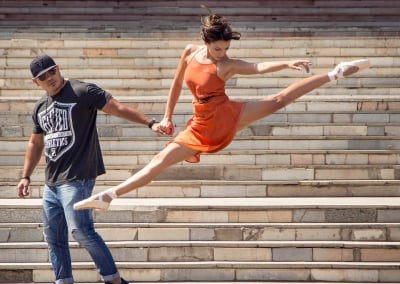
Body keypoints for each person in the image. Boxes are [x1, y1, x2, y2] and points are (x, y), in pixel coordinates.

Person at [74, 11, 370, 212]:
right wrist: (167, 116)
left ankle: (335, 74)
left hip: (223, 114)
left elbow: (256, 67)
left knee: (279, 100)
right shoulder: (190, 51)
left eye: (226, 48)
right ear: (206, 43)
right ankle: (109, 196)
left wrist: (286, 63)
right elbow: (177, 83)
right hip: (199, 120)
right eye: (218, 49)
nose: (223, 53)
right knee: (159, 161)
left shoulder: (225, 65)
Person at [16, 54, 165, 284]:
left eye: (51, 72)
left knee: (81, 230)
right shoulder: (40, 107)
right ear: (36, 82)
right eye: (43, 77)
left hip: (78, 177)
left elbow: (116, 106)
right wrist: (25, 176)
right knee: (53, 235)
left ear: (58, 69)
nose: (49, 78)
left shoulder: (81, 91)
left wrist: (150, 122)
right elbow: (35, 142)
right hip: (52, 182)